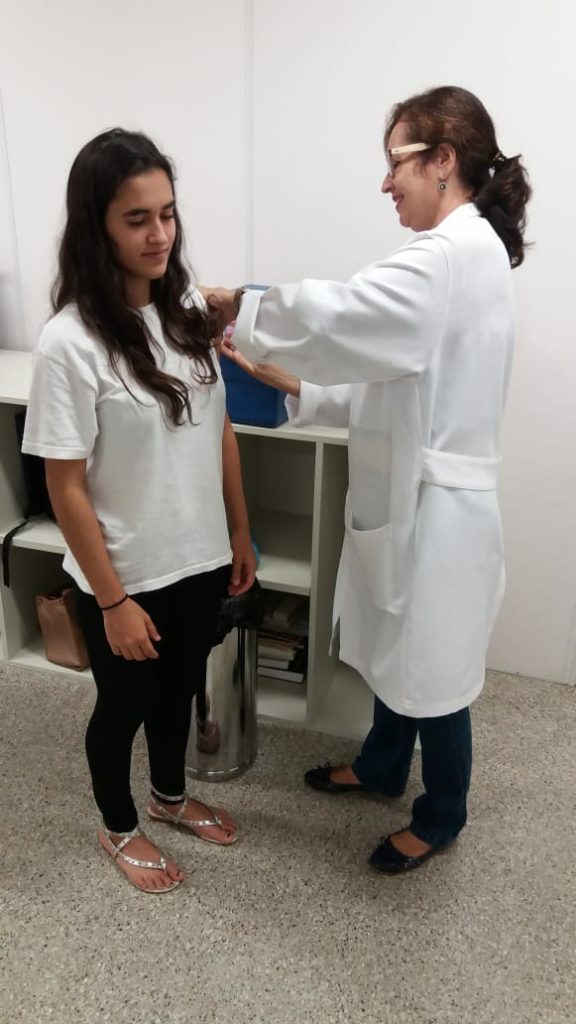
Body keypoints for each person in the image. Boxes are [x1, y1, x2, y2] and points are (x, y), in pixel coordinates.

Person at [204, 86, 531, 874]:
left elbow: (343, 312)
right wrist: (297, 386)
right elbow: (391, 382)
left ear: (443, 159)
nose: (386, 183)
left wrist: (242, 306)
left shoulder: (449, 255)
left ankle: (442, 813)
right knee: (393, 648)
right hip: (411, 494)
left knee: (433, 671)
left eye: (396, 163)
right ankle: (383, 767)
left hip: (439, 512)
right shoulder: (460, 253)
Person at [23, 129, 256, 893]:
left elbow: (219, 428)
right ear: (96, 227)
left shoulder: (186, 311)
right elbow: (64, 486)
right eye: (136, 219)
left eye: (168, 213)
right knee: (122, 708)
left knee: (178, 692)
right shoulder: (69, 342)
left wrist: (239, 532)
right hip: (125, 573)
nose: (160, 234)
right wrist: (113, 601)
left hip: (200, 555)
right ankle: (119, 826)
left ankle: (169, 797)